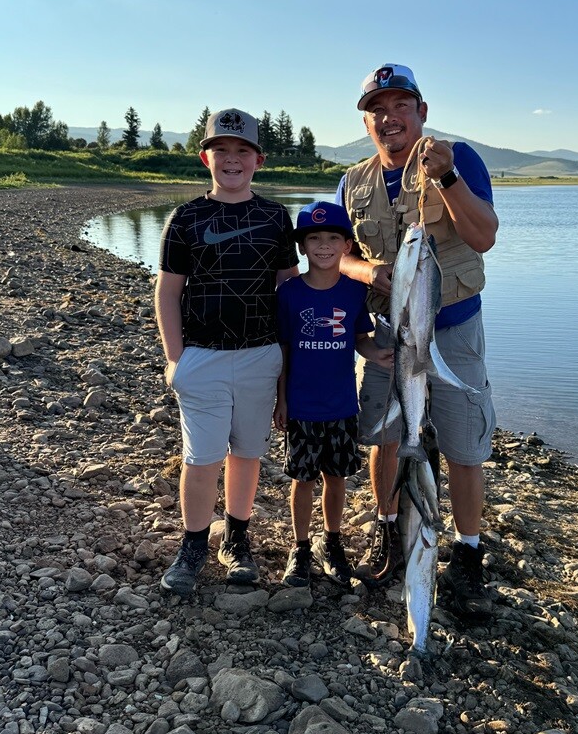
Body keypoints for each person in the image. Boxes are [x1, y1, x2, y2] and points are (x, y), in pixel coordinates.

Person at [334, 64, 499, 621]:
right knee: (385, 436)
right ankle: (388, 532)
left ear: (422, 112)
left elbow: (483, 237)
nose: (390, 117)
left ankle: (469, 555)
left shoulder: (457, 159)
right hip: (387, 336)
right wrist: (364, 272)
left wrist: (449, 179)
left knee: (463, 447)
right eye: (378, 108)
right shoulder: (352, 181)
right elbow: (336, 255)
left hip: (453, 331)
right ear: (366, 120)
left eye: (401, 105)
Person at [155, 108, 299, 597]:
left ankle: (236, 538)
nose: (231, 160)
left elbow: (287, 291)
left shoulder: (277, 218)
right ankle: (194, 543)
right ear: (205, 158)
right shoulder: (187, 218)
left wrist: (289, 371)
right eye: (221, 151)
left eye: (242, 152)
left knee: (248, 453)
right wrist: (176, 359)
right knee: (201, 458)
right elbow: (167, 292)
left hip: (262, 355)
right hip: (203, 356)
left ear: (258, 160)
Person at [273, 202, 393, 589]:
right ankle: (301, 547)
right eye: (314, 239)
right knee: (303, 480)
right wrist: (282, 400)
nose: (323, 246)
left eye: (332, 239)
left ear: (346, 245)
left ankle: (333, 542)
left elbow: (359, 337)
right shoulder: (289, 293)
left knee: (336, 477)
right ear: (303, 247)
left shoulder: (354, 291)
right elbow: (284, 351)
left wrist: (376, 353)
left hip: (342, 405)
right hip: (302, 406)